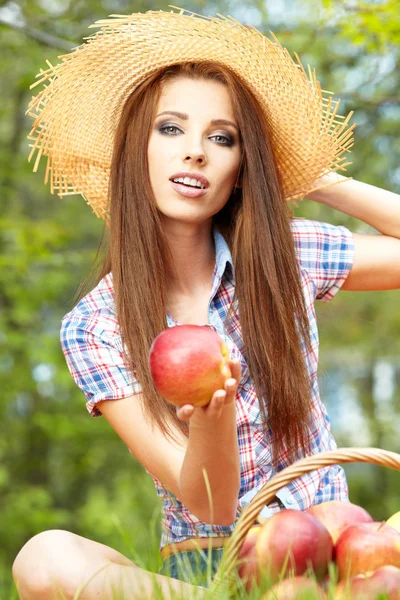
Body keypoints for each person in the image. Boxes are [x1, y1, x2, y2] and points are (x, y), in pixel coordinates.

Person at [12, 7, 400, 600]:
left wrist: (309, 175)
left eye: (223, 139)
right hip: (208, 567)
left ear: (243, 167)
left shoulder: (282, 256)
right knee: (44, 558)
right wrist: (210, 419)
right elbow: (209, 502)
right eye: (170, 129)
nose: (195, 152)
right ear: (133, 153)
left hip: (329, 544)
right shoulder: (95, 326)